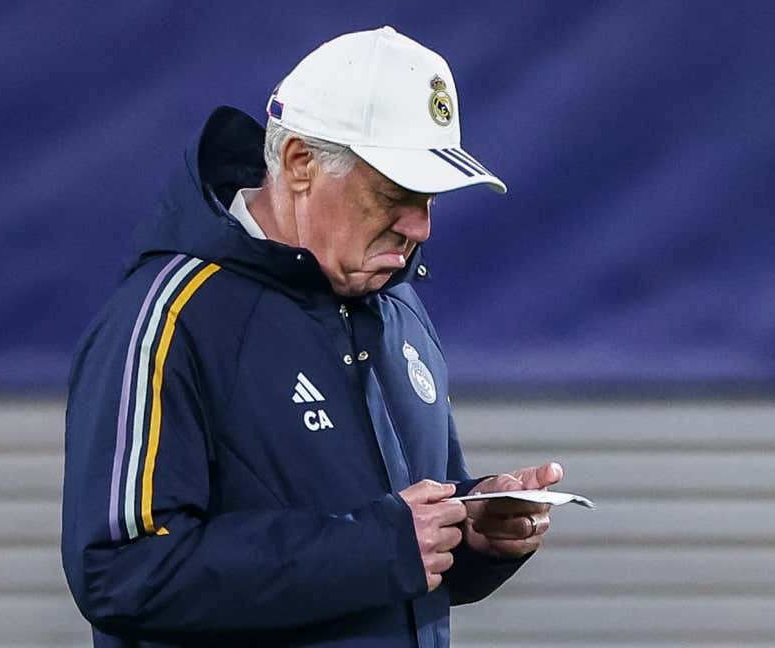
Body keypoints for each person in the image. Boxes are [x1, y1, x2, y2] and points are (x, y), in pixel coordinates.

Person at [61, 25, 563, 647]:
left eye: (430, 197)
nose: (422, 227)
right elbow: (120, 570)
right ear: (300, 163)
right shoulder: (167, 319)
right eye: (395, 195)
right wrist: (379, 546)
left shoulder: (395, 302)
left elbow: (402, 538)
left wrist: (472, 525)